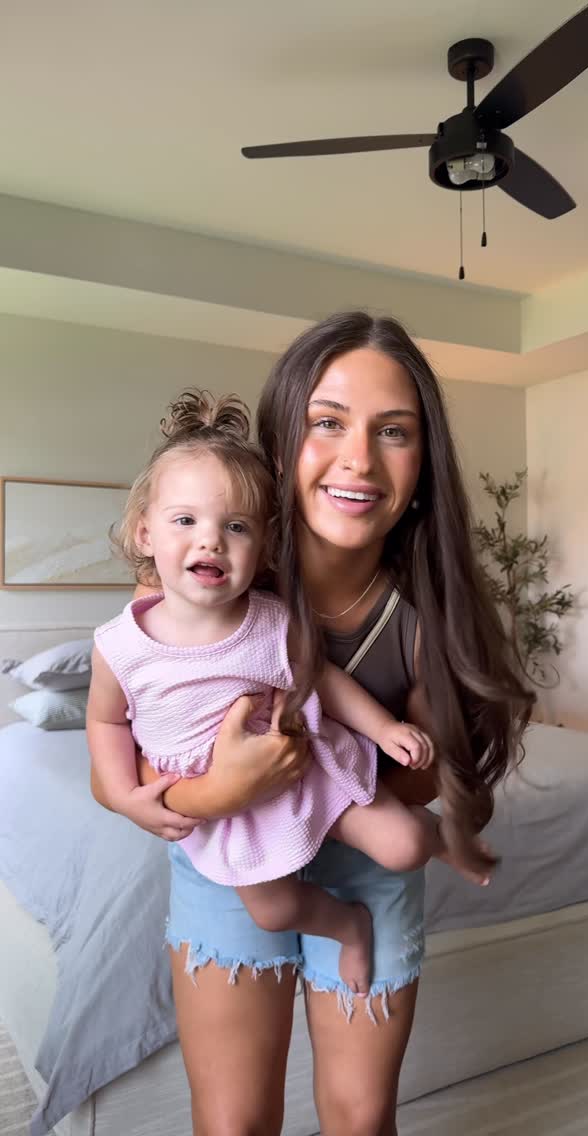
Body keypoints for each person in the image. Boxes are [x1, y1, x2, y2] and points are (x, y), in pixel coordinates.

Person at [92, 311, 533, 1136]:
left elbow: (414, 781)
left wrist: (397, 769)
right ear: (282, 441)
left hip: (362, 847)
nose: (359, 458)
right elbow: (127, 754)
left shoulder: (428, 613)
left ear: (423, 462)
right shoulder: (204, 579)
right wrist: (222, 792)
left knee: (362, 1121)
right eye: (328, 422)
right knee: (233, 1124)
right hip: (228, 854)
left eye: (392, 431)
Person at [88, 389, 471, 997]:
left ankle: (442, 835)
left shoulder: (268, 620)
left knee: (404, 846)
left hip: (307, 773)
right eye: (185, 521)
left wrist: (384, 729)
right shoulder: (120, 645)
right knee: (272, 911)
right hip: (232, 815)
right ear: (144, 533)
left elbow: (322, 677)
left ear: (263, 548)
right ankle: (348, 926)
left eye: (235, 527)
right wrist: (123, 794)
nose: (211, 541)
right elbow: (107, 722)